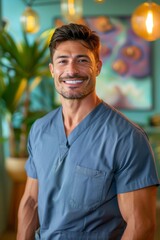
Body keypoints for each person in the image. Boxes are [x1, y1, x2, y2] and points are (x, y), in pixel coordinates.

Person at [17, 23, 159, 240]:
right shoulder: (40, 129)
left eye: (82, 60)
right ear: (52, 69)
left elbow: (142, 225)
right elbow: (30, 201)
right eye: (62, 61)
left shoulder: (127, 138)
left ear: (98, 67)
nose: (71, 70)